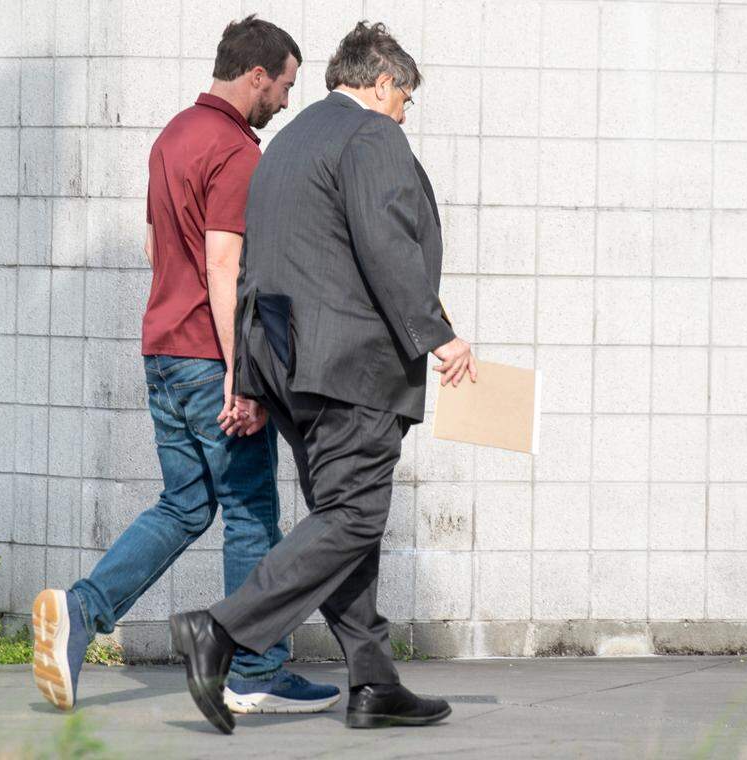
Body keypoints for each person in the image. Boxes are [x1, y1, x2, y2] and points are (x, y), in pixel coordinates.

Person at [168, 21, 477, 734]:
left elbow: (260, 267)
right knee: (354, 516)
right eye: (405, 97)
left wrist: (249, 377)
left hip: (291, 369)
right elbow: (387, 245)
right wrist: (438, 334)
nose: (406, 111)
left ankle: (372, 683)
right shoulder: (371, 136)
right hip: (351, 370)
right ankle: (220, 629)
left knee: (344, 521)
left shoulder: (287, 141)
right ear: (380, 84)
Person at [30, 15, 339, 716]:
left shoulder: (171, 136)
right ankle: (257, 668)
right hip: (209, 358)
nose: (286, 101)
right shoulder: (236, 153)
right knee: (252, 511)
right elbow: (223, 261)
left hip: (163, 351)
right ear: (257, 74)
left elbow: (154, 247)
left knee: (185, 503)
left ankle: (81, 611)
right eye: (285, 85)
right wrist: (242, 375)